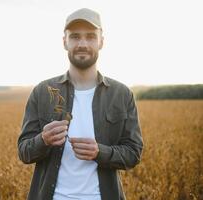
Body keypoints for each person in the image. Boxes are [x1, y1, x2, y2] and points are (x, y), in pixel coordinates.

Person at [17, 8, 143, 200]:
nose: (83, 44)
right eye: (75, 36)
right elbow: (24, 152)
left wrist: (100, 152)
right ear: (64, 42)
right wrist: (43, 140)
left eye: (91, 36)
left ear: (101, 41)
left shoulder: (122, 94)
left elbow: (133, 153)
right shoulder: (42, 92)